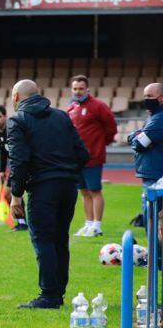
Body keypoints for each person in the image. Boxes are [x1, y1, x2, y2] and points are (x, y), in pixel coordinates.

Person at [6, 79, 89, 309]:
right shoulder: (61, 116)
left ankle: (49, 295)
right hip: (67, 186)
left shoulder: (18, 120)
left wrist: (16, 194)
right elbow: (82, 152)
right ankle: (58, 291)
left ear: (16, 97)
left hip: (42, 188)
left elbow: (19, 160)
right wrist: (68, 172)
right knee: (60, 240)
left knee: (43, 240)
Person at [66, 75, 117, 237]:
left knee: (95, 190)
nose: (78, 92)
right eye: (75, 89)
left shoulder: (98, 106)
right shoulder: (71, 108)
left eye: (81, 89)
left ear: (87, 89)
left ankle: (97, 225)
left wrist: (101, 144)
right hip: (77, 159)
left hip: (93, 157)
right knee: (84, 191)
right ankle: (88, 224)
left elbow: (111, 127)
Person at [128, 82, 163, 247]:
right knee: (152, 218)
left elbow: (139, 144)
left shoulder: (159, 119)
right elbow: (137, 138)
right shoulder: (153, 117)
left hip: (157, 176)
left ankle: (157, 259)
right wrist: (136, 135)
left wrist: (136, 137)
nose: (146, 100)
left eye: (150, 96)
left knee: (154, 219)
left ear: (161, 98)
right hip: (152, 174)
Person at [0, 104, 28, 232]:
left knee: (12, 193)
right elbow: (3, 151)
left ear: (5, 116)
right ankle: (22, 222)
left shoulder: (12, 128)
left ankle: (23, 222)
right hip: (15, 165)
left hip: (21, 164)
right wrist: (2, 170)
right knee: (9, 194)